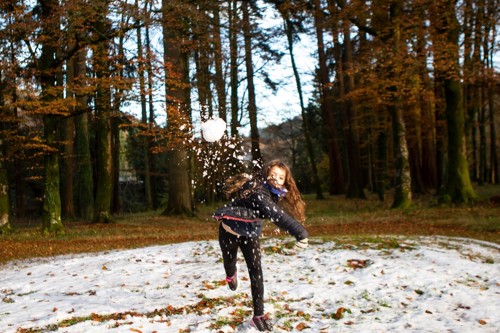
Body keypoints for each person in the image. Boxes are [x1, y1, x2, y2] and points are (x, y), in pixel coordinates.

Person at [213, 160, 309, 332]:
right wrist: (299, 232)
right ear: (265, 175)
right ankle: (230, 274)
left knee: (256, 271)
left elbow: (272, 210)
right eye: (272, 175)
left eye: (281, 177)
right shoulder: (259, 191)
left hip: (249, 234)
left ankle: (258, 316)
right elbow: (274, 214)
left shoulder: (271, 193)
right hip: (229, 232)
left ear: (285, 181)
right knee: (229, 262)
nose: (276, 180)